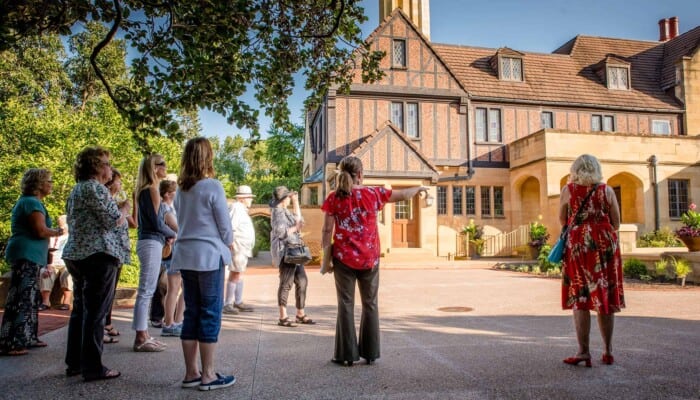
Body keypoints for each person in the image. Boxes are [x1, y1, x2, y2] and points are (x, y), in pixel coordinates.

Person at [321, 155, 428, 366]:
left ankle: (346, 356)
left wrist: (326, 260)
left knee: (345, 304)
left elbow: (326, 230)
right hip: (369, 259)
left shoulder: (335, 197)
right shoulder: (375, 193)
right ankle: (370, 354)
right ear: (360, 174)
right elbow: (404, 194)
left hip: (343, 258)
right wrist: (420, 187)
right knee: (370, 304)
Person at [170, 137, 236, 391]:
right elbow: (224, 224)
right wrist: (229, 242)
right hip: (208, 255)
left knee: (192, 312)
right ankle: (208, 375)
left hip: (185, 254)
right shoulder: (212, 186)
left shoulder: (180, 190)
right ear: (207, 157)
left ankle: (191, 373)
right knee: (210, 312)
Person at [63, 147, 131, 381]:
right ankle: (93, 367)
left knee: (80, 311)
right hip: (98, 254)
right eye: (107, 164)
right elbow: (113, 222)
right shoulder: (96, 189)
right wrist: (124, 209)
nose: (110, 169)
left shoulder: (76, 190)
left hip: (77, 254)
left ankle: (75, 362)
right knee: (96, 313)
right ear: (96, 166)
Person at [559, 154, 623, 367]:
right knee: (603, 295)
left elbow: (562, 220)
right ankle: (607, 351)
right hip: (604, 244)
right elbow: (616, 222)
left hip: (578, 244)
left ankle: (583, 351)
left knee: (580, 296)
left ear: (575, 170)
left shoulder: (569, 191)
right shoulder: (607, 190)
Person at [0, 168, 63, 356]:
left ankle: (28, 337)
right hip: (26, 254)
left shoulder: (31, 202)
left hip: (30, 255)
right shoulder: (31, 203)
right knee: (22, 299)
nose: (51, 184)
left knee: (30, 297)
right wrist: (58, 232)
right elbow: (40, 230)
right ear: (38, 184)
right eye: (49, 181)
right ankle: (14, 342)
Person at [132, 154, 176, 352]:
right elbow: (156, 222)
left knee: (148, 290)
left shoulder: (147, 190)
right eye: (162, 164)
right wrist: (174, 233)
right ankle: (141, 336)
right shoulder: (151, 190)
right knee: (146, 290)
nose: (165, 167)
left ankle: (145, 334)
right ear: (154, 168)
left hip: (151, 241)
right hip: (151, 242)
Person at [270, 186, 314, 328]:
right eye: (289, 197)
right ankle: (283, 317)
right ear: (283, 199)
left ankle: (300, 314)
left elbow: (298, 220)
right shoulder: (277, 212)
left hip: (295, 251)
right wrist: (296, 228)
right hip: (286, 252)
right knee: (286, 283)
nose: (290, 198)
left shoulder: (285, 211)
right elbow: (281, 232)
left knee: (302, 281)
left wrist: (296, 202)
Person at [103, 167, 135, 343]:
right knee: (105, 291)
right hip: (108, 250)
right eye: (118, 181)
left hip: (118, 251)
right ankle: (102, 326)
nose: (120, 184)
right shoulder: (106, 199)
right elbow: (115, 221)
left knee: (111, 290)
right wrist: (123, 209)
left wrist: (133, 203)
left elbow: (134, 223)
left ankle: (106, 322)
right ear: (110, 182)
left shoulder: (117, 201)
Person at [222, 185, 256, 315]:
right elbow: (232, 226)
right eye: (249, 198)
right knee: (235, 273)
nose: (251, 200)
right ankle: (229, 303)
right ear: (242, 198)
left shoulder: (241, 209)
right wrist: (231, 242)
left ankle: (238, 301)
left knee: (239, 273)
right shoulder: (237, 207)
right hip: (238, 246)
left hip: (242, 247)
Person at [160, 179, 185, 337]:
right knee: (174, 288)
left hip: (177, 250)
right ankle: (170, 323)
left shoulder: (171, 208)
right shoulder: (165, 208)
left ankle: (177, 320)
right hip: (174, 252)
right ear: (168, 194)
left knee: (182, 288)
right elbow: (178, 228)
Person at [39, 215, 73, 311]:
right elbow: (47, 251)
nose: (61, 229)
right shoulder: (52, 236)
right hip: (52, 263)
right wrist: (49, 265)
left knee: (68, 273)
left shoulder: (72, 237)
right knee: (44, 272)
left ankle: (66, 302)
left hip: (66, 262)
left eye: (63, 227)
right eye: (59, 226)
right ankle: (46, 302)